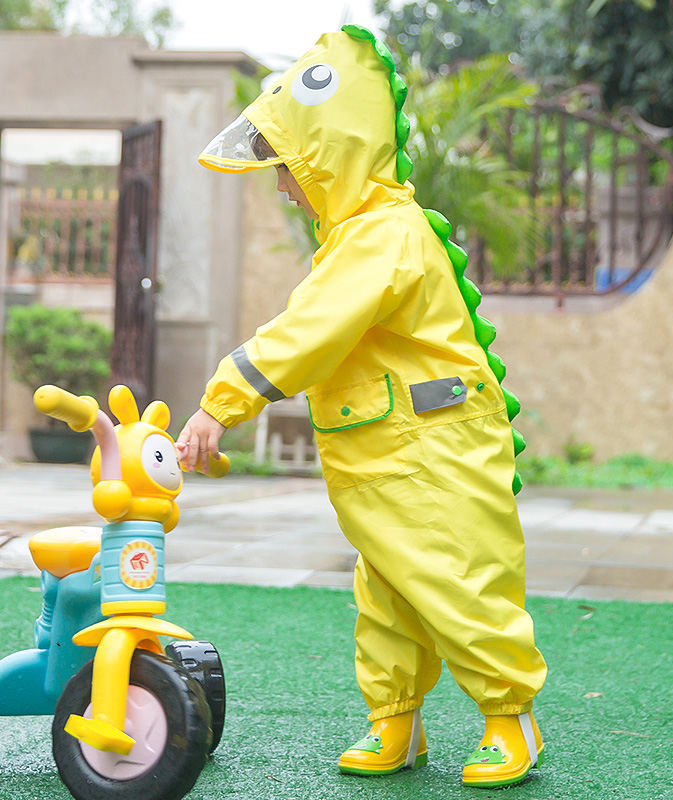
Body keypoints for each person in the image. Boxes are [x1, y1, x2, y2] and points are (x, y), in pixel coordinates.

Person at [177, 25, 547, 789]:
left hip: (433, 446)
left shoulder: (384, 234)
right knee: (387, 591)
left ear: (331, 155)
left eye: (290, 169)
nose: (283, 185)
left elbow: (311, 329)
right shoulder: (355, 236)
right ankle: (395, 720)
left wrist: (224, 400)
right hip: (386, 452)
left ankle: (511, 720)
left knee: (455, 579)